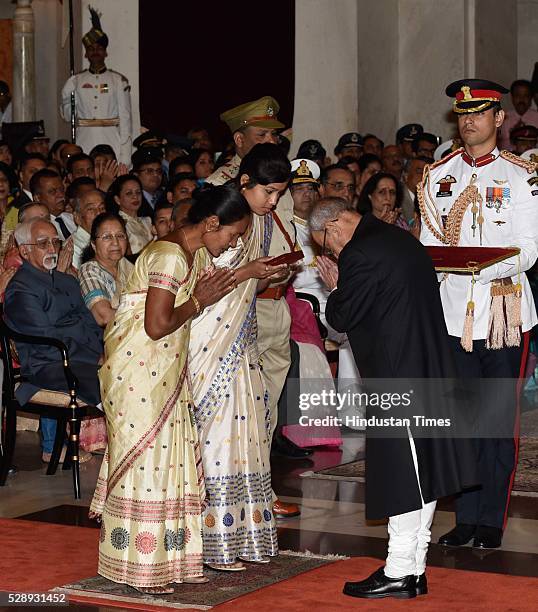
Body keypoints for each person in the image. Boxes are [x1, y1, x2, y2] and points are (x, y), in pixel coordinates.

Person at [309, 198, 477, 599]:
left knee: (408, 474)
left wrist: (335, 288)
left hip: (398, 378)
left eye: (326, 246)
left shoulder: (361, 252)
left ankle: (400, 570)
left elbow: (341, 318)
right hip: (427, 368)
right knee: (424, 471)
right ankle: (413, 567)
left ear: (333, 226)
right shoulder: (399, 240)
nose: (331, 254)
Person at [89, 184, 250, 594]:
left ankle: (171, 559)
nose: (231, 243)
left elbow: (206, 291)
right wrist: (196, 303)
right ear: (211, 223)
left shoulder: (189, 252)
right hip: (140, 373)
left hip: (163, 369)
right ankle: (139, 565)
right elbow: (156, 324)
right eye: (231, 235)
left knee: (170, 461)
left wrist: (253, 271)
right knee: (148, 462)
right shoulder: (168, 255)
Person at [419, 78, 538, 550]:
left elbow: (529, 249)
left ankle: (491, 519)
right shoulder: (437, 176)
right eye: (462, 114)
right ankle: (464, 516)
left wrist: (482, 266)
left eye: (479, 112)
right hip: (452, 311)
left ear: (499, 118)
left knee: (495, 421)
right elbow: (429, 244)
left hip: (503, 309)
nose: (468, 120)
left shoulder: (521, 176)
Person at [207, 98, 308, 514]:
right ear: (238, 139)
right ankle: (224, 488)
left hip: (275, 301)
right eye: (262, 134)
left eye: (275, 135)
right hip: (239, 308)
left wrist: (284, 268)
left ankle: (260, 487)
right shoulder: (221, 188)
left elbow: (284, 234)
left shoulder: (274, 180)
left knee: (267, 404)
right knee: (237, 404)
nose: (272, 141)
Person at [190, 155, 290, 568]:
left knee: (246, 437)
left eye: (279, 194)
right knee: (217, 439)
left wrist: (265, 276)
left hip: (241, 344)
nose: (273, 201)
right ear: (244, 181)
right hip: (212, 347)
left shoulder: (253, 223)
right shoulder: (219, 217)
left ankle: (239, 538)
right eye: (269, 192)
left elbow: (242, 284)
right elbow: (206, 286)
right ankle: (208, 541)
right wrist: (251, 270)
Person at [4, 219, 102, 463]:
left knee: (129, 370)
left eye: (55, 242)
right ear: (24, 250)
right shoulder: (21, 288)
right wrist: (96, 357)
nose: (52, 248)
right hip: (48, 364)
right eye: (43, 243)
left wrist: (106, 350)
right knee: (112, 382)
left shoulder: (67, 281)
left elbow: (90, 323)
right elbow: (47, 339)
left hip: (78, 356)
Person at [60, 7, 132, 165]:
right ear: (86, 54)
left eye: (99, 48)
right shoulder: (75, 81)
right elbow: (66, 115)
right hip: (84, 137)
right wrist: (71, 105)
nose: (95, 52)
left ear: (106, 52)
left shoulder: (118, 80)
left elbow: (125, 119)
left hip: (112, 137)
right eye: (91, 49)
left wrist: (125, 156)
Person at [79, 212, 133, 327]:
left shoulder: (127, 265)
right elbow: (103, 317)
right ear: (93, 244)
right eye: (107, 237)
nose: (115, 242)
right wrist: (143, 316)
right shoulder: (89, 270)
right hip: (112, 338)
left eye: (120, 236)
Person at [108, 174, 153, 255]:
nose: (135, 196)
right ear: (117, 199)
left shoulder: (148, 220)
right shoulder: (118, 225)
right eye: (129, 193)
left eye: (138, 192)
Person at [29, 169, 76, 240]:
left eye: (61, 189)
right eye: (52, 192)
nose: (61, 195)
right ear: (37, 198)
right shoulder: (36, 228)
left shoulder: (73, 218)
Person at [498, 79, 538, 151]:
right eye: (517, 95)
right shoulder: (503, 118)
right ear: (512, 98)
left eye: (526, 96)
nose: (521, 99)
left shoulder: (537, 117)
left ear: (531, 98)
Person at [72, 189, 107, 269]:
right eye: (91, 209)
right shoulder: (74, 248)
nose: (98, 213)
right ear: (77, 218)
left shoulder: (109, 237)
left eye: (102, 208)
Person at [400, 156, 432, 225]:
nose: (424, 176)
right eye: (420, 171)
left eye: (428, 172)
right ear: (406, 176)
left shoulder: (433, 199)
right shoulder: (398, 200)